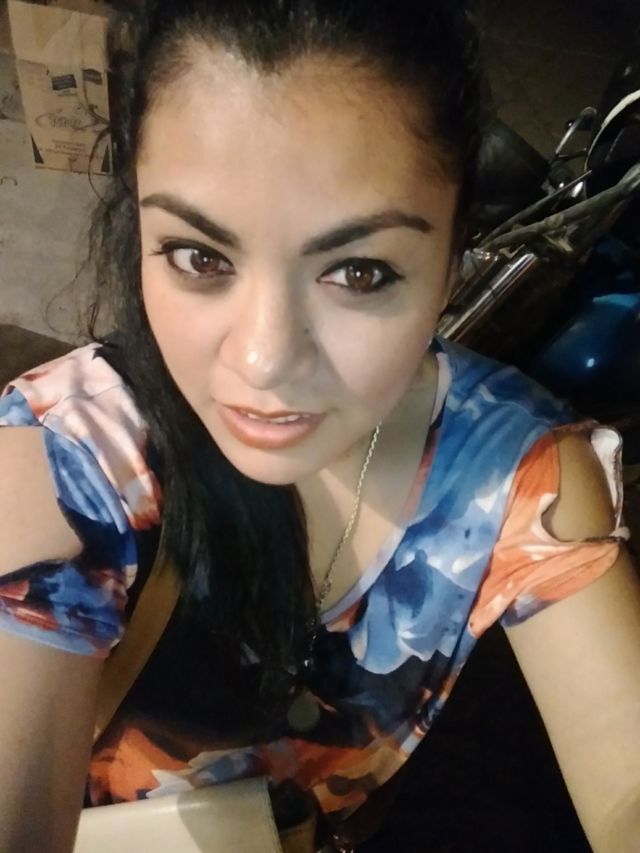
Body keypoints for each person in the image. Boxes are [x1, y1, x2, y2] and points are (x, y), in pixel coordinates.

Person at [1, 1, 639, 851]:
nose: (264, 360)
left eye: (360, 272)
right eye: (200, 257)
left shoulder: (517, 473)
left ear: (453, 260)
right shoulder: (68, 454)